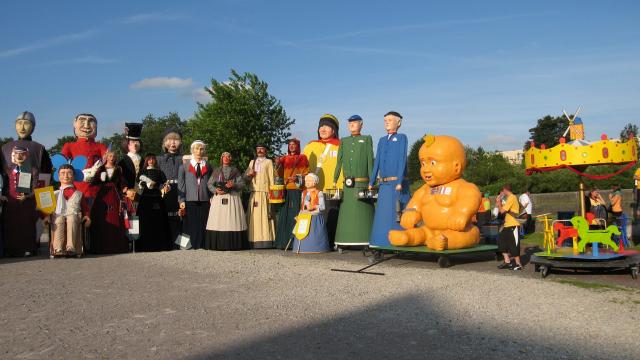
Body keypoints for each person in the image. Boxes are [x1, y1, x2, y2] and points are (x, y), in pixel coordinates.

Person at [388, 135, 481, 250]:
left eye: (433, 163)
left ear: (456, 167)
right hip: (429, 230)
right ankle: (406, 237)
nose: (426, 169)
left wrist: (462, 213)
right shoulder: (425, 189)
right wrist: (411, 212)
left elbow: (471, 198)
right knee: (420, 233)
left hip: (457, 231)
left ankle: (443, 242)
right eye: (423, 164)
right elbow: (415, 202)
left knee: (468, 235)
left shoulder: (462, 187)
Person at [368, 111, 410, 247]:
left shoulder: (402, 138)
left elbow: (402, 158)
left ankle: (399, 242)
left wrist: (399, 181)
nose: (387, 122)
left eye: (390, 120)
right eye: (385, 120)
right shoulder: (381, 140)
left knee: (397, 213)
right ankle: (380, 242)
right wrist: (371, 181)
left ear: (399, 123)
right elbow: (377, 161)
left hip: (396, 184)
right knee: (383, 216)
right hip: (384, 185)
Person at [333, 115, 374, 248]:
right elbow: (339, 161)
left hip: (362, 183)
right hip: (347, 184)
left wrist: (371, 181)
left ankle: (366, 238)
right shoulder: (343, 141)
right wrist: (335, 179)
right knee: (346, 212)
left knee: (362, 211)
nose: (351, 125)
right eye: (349, 123)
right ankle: (343, 239)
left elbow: (369, 160)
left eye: (354, 123)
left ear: (361, 124)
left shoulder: (366, 139)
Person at [302, 114, 343, 244]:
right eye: (321, 126)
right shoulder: (311, 146)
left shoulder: (341, 146)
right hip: (314, 189)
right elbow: (302, 167)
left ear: (334, 130)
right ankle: (314, 242)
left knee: (332, 214)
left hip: (334, 188)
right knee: (313, 215)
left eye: (327, 126)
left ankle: (330, 242)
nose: (323, 129)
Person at [204, 152, 248, 250]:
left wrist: (234, 185)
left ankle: (234, 244)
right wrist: (215, 190)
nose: (226, 158)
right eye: (224, 156)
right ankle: (217, 243)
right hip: (219, 198)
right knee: (219, 219)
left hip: (232, 198)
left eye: (228, 157)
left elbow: (242, 184)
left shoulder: (235, 171)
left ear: (230, 159)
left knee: (231, 218)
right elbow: (209, 184)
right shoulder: (217, 170)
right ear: (221, 158)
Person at [90, 150, 129, 254]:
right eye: (110, 156)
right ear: (106, 157)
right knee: (102, 217)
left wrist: (124, 187)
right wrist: (99, 179)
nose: (112, 158)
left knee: (116, 216)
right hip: (103, 195)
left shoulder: (118, 169)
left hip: (115, 195)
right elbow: (94, 182)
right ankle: (101, 246)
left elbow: (122, 181)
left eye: (114, 156)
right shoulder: (101, 168)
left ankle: (116, 245)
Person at [47, 164, 91, 257]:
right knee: (58, 220)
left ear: (74, 176)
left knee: (72, 219)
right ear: (58, 176)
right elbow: (47, 209)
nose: (66, 176)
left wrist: (87, 217)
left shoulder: (79, 194)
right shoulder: (54, 194)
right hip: (58, 215)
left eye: (69, 173)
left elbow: (85, 208)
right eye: (62, 174)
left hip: (74, 215)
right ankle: (58, 248)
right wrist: (46, 217)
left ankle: (71, 247)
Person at [61, 113, 107, 200]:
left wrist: (103, 173)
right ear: (74, 124)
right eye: (82, 121)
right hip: (75, 190)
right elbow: (62, 169)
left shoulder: (101, 146)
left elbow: (109, 162)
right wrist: (79, 175)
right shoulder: (69, 146)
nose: (86, 125)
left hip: (97, 190)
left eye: (91, 121)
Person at [3, 146, 39, 256]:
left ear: (26, 155)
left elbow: (35, 188)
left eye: (22, 153)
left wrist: (27, 196)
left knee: (27, 225)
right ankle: (11, 249)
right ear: (13, 155)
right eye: (17, 153)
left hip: (26, 204)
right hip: (11, 203)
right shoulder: (8, 170)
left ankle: (28, 248)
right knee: (12, 226)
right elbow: (4, 186)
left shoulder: (32, 170)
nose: (19, 156)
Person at [274, 139, 308, 249]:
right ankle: (282, 242)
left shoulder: (303, 158)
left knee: (295, 214)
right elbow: (278, 174)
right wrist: (277, 164)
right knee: (284, 215)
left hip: (297, 189)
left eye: (294, 145)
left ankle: (295, 243)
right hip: (286, 189)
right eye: (290, 145)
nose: (292, 146)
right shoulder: (284, 158)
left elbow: (306, 173)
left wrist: (296, 177)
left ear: (298, 146)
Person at [1, 111, 53, 183]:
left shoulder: (39, 149)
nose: (22, 128)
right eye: (19, 123)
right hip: (7, 193)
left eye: (26, 123)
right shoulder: (5, 148)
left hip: (33, 193)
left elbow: (46, 176)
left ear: (33, 126)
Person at [178, 140, 212, 250]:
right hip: (189, 198)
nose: (199, 151)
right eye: (197, 149)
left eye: (201, 149)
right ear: (192, 150)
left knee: (203, 222)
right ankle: (184, 245)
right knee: (188, 223)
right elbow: (181, 185)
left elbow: (211, 183)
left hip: (204, 198)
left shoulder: (208, 166)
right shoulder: (184, 166)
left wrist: (211, 196)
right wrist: (181, 200)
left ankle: (202, 245)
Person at [136, 154, 171, 251]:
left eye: (153, 159)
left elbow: (165, 183)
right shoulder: (142, 172)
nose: (151, 161)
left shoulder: (159, 172)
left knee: (159, 220)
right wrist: (144, 183)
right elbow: (138, 183)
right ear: (146, 160)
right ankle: (144, 245)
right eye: (149, 159)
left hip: (157, 197)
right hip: (145, 198)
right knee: (145, 220)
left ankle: (159, 244)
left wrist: (167, 187)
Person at [245, 144, 276, 249]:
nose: (260, 150)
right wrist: (249, 175)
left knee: (265, 216)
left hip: (265, 192)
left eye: (262, 149)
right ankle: (253, 240)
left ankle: (267, 240)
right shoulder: (252, 162)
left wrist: (272, 193)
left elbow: (271, 177)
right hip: (254, 192)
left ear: (265, 150)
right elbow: (246, 178)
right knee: (254, 217)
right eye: (258, 149)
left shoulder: (268, 162)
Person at [157, 128, 183, 244]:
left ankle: (180, 241)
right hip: (165, 190)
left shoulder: (184, 159)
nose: (173, 143)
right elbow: (155, 177)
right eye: (170, 140)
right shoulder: (158, 159)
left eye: (176, 140)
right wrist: (161, 188)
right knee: (165, 214)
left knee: (180, 214)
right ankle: (165, 241)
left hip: (180, 190)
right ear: (164, 143)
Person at [291, 173, 330, 253]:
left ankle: (315, 247)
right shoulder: (303, 193)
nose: (307, 182)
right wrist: (300, 214)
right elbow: (302, 205)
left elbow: (322, 206)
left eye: (309, 180)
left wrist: (313, 207)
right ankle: (301, 248)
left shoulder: (319, 193)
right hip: (304, 216)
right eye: (306, 181)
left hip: (314, 216)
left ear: (315, 182)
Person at [497, 184, 523, 270]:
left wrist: (499, 202)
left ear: (505, 190)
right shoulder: (509, 198)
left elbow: (502, 211)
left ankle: (518, 264)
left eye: (502, 191)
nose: (502, 192)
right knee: (501, 242)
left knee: (513, 244)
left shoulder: (512, 197)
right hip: (507, 224)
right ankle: (507, 261)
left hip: (513, 224)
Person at [118, 123, 143, 204]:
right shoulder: (122, 162)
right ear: (127, 144)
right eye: (132, 142)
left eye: (137, 142)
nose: (135, 145)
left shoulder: (144, 160)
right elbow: (119, 178)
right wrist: (124, 188)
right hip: (128, 194)